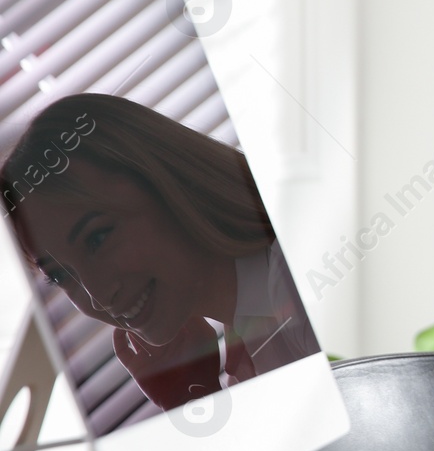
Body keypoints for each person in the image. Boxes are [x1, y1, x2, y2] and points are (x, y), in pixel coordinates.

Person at [1, 93, 318, 417]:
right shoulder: (251, 333)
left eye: (97, 238)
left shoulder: (300, 289)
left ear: (166, 182)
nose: (98, 296)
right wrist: (193, 397)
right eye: (59, 275)